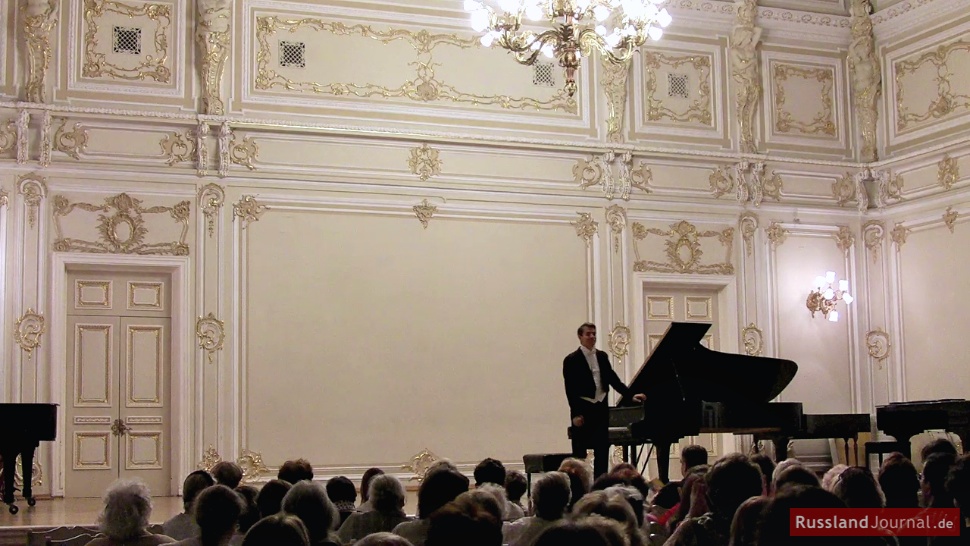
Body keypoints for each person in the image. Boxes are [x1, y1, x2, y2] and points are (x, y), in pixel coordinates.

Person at [563, 322, 645, 478]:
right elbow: (570, 389)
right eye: (588, 334)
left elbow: (613, 378)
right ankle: (579, 486)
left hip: (600, 408)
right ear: (580, 337)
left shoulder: (602, 356)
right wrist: (575, 414)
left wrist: (630, 395)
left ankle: (601, 484)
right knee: (580, 452)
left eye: (594, 334)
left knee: (602, 449)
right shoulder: (571, 359)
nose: (592, 337)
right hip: (583, 409)